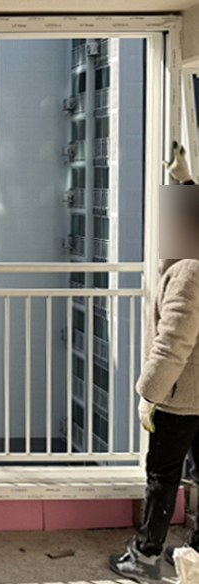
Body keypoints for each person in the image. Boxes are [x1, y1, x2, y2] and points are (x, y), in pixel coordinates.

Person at [109, 142, 199, 581]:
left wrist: (149, 395)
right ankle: (195, 554)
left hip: (182, 397)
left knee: (162, 475)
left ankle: (145, 558)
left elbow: (173, 344)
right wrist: (183, 180)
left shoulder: (190, 272)